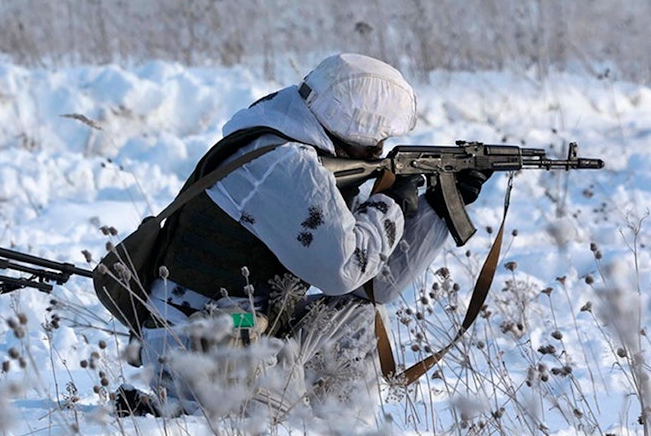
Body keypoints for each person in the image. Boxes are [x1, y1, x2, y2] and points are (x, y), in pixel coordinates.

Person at [131, 53, 489, 417]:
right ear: (354, 128)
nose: (380, 149)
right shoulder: (285, 164)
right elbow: (344, 270)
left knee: (355, 313)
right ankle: (216, 421)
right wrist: (390, 204)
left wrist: (439, 209)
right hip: (203, 344)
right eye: (376, 141)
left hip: (236, 329)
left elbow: (371, 286)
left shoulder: (290, 150)